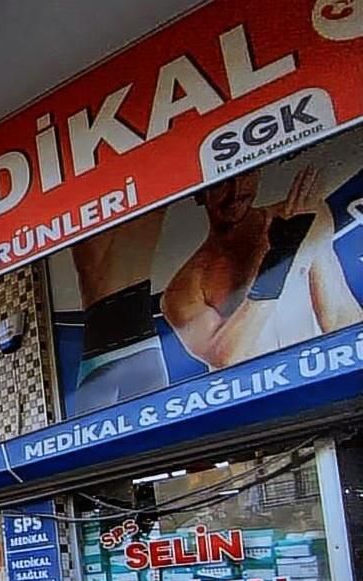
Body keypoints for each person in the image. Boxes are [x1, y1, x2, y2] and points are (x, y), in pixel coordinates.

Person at [163, 164, 361, 371]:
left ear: (258, 175)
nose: (236, 191)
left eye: (245, 175)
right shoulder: (184, 288)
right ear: (199, 194)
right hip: (262, 398)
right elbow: (227, 358)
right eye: (220, 183)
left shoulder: (301, 215)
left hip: (325, 383)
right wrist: (278, 258)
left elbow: (339, 316)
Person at [67, 207, 169, 415]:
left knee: (93, 441)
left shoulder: (75, 206)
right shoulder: (146, 194)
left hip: (106, 348)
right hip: (139, 345)